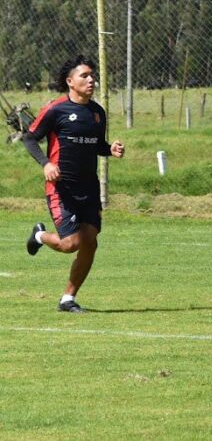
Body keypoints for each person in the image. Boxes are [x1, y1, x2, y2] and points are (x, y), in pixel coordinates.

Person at [23, 56, 125, 312]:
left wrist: (110, 149)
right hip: (62, 188)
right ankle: (39, 235)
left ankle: (68, 299)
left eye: (92, 75)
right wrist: (46, 164)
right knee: (70, 244)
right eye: (84, 76)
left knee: (90, 241)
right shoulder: (55, 109)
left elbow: (97, 145)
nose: (91, 80)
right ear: (70, 81)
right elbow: (29, 138)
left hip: (89, 188)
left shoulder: (97, 113)